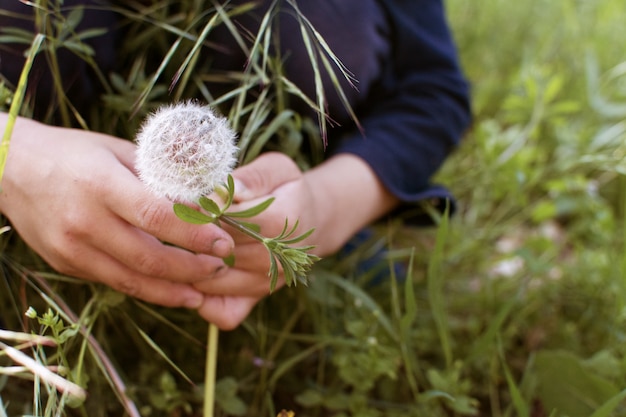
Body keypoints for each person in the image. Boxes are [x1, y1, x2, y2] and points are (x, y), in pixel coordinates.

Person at [0, 0, 471, 330]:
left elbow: (432, 89)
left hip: (289, 179)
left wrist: (328, 204)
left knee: (317, 16)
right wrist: (13, 155)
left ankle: (321, 206)